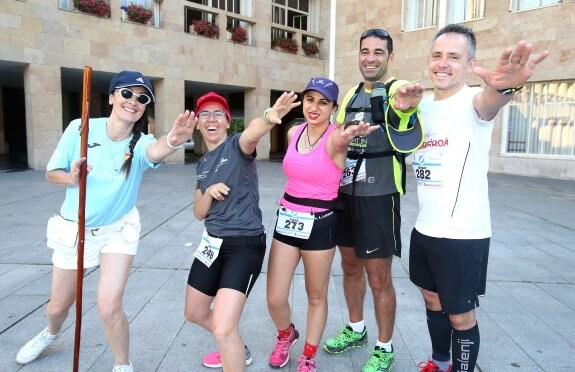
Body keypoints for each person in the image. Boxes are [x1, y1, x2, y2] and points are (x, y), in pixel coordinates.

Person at [15, 70, 196, 372]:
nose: (133, 101)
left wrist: (175, 140)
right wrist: (71, 178)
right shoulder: (81, 129)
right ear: (112, 96)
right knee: (59, 306)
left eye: (142, 98)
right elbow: (51, 172)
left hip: (117, 231)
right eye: (126, 93)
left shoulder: (140, 141)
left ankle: (122, 364)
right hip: (75, 229)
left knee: (109, 307)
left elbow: (156, 150)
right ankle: (50, 333)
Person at [410, 24, 548, 372]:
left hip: (463, 235)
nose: (443, 63)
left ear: (470, 64)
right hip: (425, 228)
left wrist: (506, 86)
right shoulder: (422, 108)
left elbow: (490, 103)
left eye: (454, 57)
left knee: (460, 314)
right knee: (432, 299)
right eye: (438, 55)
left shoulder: (472, 101)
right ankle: (440, 363)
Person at [322, 29, 424, 372]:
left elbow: (402, 111)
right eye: (365, 51)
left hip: (379, 196)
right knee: (349, 267)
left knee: (379, 277)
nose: (370, 58)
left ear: (390, 57)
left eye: (379, 52)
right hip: (345, 194)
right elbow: (335, 139)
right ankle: (355, 329)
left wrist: (404, 107)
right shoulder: (351, 94)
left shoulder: (396, 89)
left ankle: (384, 347)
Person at [266, 77, 379, 372]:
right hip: (288, 219)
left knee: (316, 295)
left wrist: (347, 135)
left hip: (320, 223)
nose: (314, 107)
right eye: (310, 100)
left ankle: (308, 355)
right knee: (275, 297)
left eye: (323, 102)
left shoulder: (335, 137)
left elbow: (340, 142)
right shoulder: (293, 132)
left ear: (333, 108)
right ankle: (285, 335)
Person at [183, 91, 299, 372]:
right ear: (198, 123)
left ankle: (229, 342)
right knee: (195, 312)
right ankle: (235, 346)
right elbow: (199, 212)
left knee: (223, 328)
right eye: (205, 115)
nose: (211, 119)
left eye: (218, 114)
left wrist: (270, 117)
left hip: (243, 244)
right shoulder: (203, 163)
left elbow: (251, 134)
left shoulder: (237, 146)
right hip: (212, 244)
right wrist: (209, 192)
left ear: (226, 122)